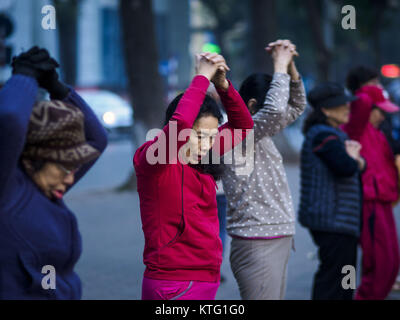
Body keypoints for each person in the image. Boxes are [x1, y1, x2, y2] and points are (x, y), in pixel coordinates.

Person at [134, 52, 254, 300]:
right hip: (172, 283)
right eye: (199, 135)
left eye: (212, 136)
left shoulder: (202, 155)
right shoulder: (155, 159)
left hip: (204, 278)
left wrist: (222, 85)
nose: (207, 144)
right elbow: (179, 127)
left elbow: (243, 126)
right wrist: (201, 77)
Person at [0, 47, 108, 299]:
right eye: (63, 167)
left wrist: (57, 88)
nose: (71, 178)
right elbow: (9, 121)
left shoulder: (44, 189)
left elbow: (97, 140)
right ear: (35, 159)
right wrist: (24, 76)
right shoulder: (8, 189)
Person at [221, 39, 306, 300]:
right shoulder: (235, 134)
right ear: (252, 106)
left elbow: (296, 106)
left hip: (274, 236)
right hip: (256, 240)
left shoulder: (260, 132)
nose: (277, 117)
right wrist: (279, 64)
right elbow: (275, 110)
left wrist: (290, 69)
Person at [298, 82, 365, 300]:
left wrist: (356, 160)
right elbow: (345, 167)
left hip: (341, 222)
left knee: (346, 275)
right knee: (333, 278)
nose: (347, 108)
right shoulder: (323, 136)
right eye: (342, 105)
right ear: (326, 110)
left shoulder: (332, 134)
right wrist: (355, 159)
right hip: (332, 221)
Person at [342, 71, 400, 299]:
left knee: (392, 262)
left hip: (382, 201)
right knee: (379, 264)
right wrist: (371, 88)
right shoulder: (356, 129)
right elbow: (363, 102)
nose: (383, 116)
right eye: (380, 110)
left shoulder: (377, 133)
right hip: (369, 202)